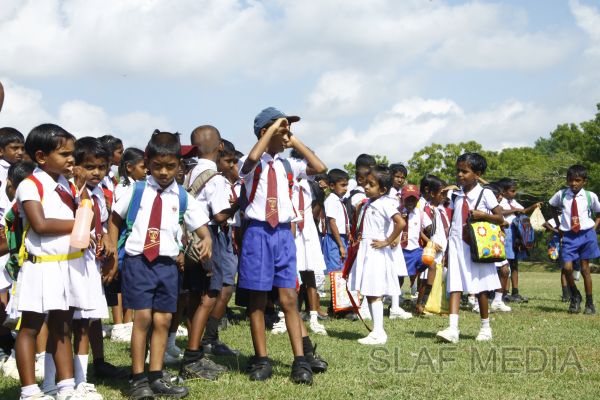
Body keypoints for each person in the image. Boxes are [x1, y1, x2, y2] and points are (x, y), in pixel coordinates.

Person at [105, 130, 212, 399]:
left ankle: (156, 375)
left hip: (167, 265)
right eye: (157, 166)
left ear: (179, 165)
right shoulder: (137, 190)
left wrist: (207, 240)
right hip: (139, 262)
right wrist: (112, 251)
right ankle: (138, 378)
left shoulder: (182, 196)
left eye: (170, 166)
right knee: (142, 318)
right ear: (148, 163)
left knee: (163, 320)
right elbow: (115, 220)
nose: (163, 172)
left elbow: (201, 227)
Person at [238, 107, 326, 384]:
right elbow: (252, 159)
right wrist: (272, 131)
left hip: (283, 235)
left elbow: (320, 168)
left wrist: (294, 140)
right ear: (266, 132)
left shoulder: (288, 165)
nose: (287, 134)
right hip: (258, 232)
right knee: (257, 300)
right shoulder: (251, 162)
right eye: (282, 130)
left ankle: (300, 360)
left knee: (289, 298)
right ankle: (261, 359)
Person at [14, 123, 89, 400]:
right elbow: (41, 224)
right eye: (64, 154)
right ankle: (29, 391)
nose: (71, 159)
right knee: (31, 326)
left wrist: (81, 191)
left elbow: (86, 212)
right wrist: (80, 222)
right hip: (41, 265)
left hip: (66, 264)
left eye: (72, 153)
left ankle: (66, 387)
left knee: (62, 326)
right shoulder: (30, 185)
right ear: (41, 156)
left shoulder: (67, 184)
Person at [179, 125, 238, 382]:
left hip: (188, 239)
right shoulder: (216, 178)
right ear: (220, 146)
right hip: (208, 237)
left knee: (195, 295)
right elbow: (220, 215)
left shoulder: (189, 172)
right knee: (210, 295)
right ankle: (194, 354)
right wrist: (239, 203)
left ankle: (194, 351)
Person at [436, 153, 504, 343]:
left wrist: (484, 215)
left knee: (481, 287)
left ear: (477, 174)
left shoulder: (485, 193)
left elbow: (500, 218)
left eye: (464, 171)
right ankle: (453, 328)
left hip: (477, 246)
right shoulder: (455, 194)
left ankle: (485, 327)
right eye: (458, 171)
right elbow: (453, 221)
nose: (460, 175)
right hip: (457, 245)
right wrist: (448, 249)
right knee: (455, 285)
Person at [347, 166, 405, 345]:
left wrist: (387, 241)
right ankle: (376, 331)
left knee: (375, 292)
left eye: (371, 184)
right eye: (366, 183)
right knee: (369, 292)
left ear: (383, 189)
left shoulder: (386, 203)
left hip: (376, 252)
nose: (366, 187)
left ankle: (379, 332)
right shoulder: (368, 203)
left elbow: (400, 223)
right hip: (366, 250)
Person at [549, 164, 600, 315]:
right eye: (570, 180)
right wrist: (558, 225)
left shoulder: (590, 196)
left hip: (587, 235)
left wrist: (594, 228)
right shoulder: (562, 194)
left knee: (585, 269)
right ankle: (575, 295)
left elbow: (598, 212)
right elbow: (551, 206)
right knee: (567, 268)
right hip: (569, 235)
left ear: (584, 181)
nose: (573, 183)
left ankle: (589, 303)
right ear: (567, 180)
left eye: (577, 180)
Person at [107, 147, 147, 345]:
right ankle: (118, 324)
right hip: (124, 238)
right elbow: (116, 217)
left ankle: (128, 321)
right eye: (143, 167)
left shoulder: (139, 185)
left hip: (132, 238)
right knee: (118, 282)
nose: (146, 171)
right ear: (130, 167)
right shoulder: (124, 188)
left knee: (128, 283)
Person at [289, 149, 328, 335]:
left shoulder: (310, 184)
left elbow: (315, 211)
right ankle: (286, 316)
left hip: (307, 231)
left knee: (309, 273)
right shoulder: (285, 181)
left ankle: (313, 316)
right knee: (289, 273)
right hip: (289, 228)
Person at [497, 177, 542, 303]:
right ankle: (504, 292)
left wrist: (533, 207)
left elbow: (522, 211)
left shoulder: (514, 201)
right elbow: (500, 212)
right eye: (512, 191)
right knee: (505, 263)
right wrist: (514, 210)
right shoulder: (499, 201)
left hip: (517, 234)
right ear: (503, 191)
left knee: (514, 263)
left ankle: (515, 291)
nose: (514, 193)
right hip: (506, 233)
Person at [415, 176, 449, 315]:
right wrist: (430, 243)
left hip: (441, 249)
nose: (444, 196)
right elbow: (419, 230)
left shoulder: (442, 210)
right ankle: (421, 304)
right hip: (430, 248)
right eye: (442, 193)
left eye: (446, 193)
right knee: (425, 277)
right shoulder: (426, 209)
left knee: (438, 277)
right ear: (433, 193)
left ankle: (435, 305)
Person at [322, 169, 350, 274]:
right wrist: (341, 245)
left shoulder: (339, 200)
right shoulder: (331, 200)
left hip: (342, 237)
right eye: (342, 185)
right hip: (334, 238)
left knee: (343, 268)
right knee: (335, 270)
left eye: (346, 185)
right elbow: (332, 222)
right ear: (332, 186)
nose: (345, 188)